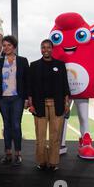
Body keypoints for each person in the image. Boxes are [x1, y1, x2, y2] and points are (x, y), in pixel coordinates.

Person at [28, 39, 70, 171]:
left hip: (57, 104)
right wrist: (31, 103)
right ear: (40, 49)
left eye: (48, 47)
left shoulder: (60, 65)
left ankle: (53, 162)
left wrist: (66, 103)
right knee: (40, 137)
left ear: (52, 49)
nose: (46, 50)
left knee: (55, 136)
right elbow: (30, 87)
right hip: (39, 105)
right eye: (43, 47)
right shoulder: (34, 65)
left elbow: (65, 86)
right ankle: (41, 161)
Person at [0, 35, 29, 166]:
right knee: (6, 126)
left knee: (16, 125)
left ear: (14, 46)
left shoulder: (23, 61)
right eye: (5, 45)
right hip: (3, 98)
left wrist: (26, 99)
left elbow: (26, 81)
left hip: (17, 97)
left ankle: (18, 153)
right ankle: (8, 153)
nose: (7, 47)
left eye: (9, 45)